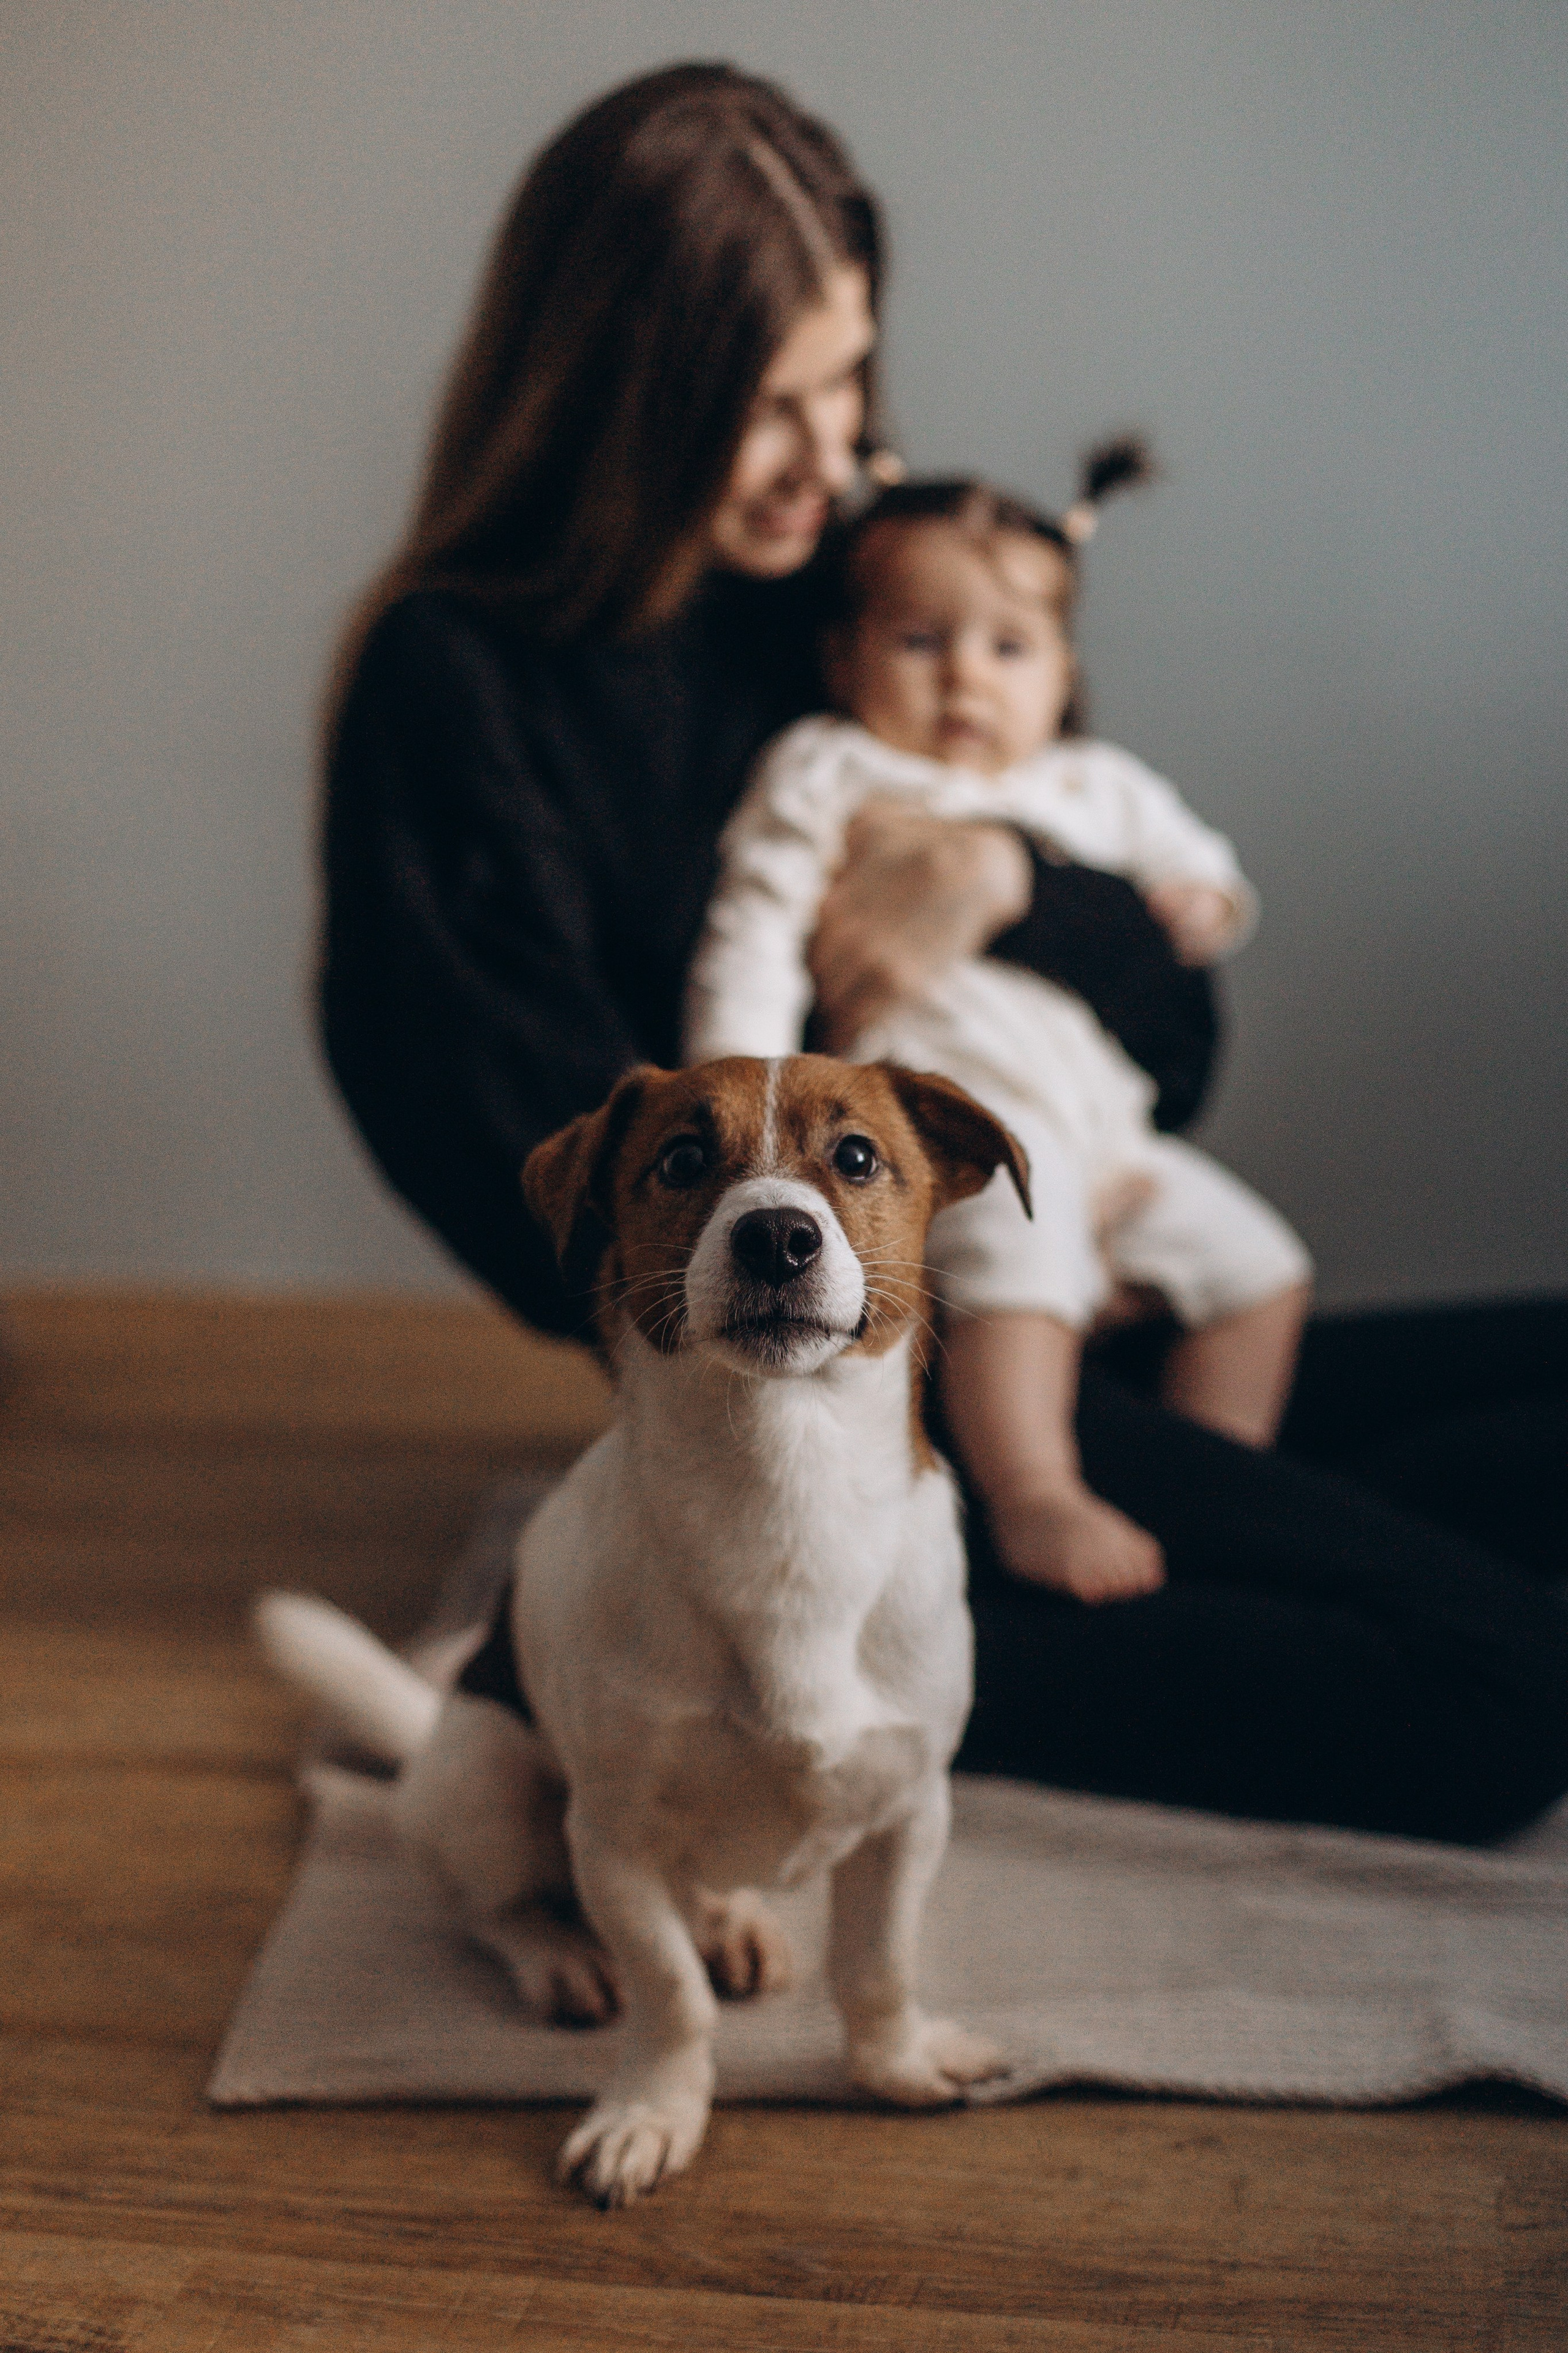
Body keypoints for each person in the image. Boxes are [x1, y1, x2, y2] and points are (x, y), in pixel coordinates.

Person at [321, 62, 1568, 1846]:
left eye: (848, 383)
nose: (839, 459)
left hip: (1090, 1269)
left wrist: (1000, 880)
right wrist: (933, 1278)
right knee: (1499, 1692)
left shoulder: (867, 609)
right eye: (768, 407)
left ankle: (1202, 1531)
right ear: (613, 401)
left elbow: (1177, 1030)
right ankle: (743, 1687)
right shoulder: (451, 689)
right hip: (825, 1388)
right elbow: (548, 1194)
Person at [684, 456, 1312, 1604]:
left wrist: (1200, 901)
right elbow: (757, 928)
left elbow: (1202, 874)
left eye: (1009, 648)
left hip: (1112, 1140)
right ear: (846, 658)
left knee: (1262, 1270)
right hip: (966, 1128)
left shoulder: (1091, 787)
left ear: (1063, 673)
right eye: (922, 641)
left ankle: (1213, 1477)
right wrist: (740, 1089)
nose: (967, 675)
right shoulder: (830, 768)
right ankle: (1035, 1490)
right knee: (1021, 1254)